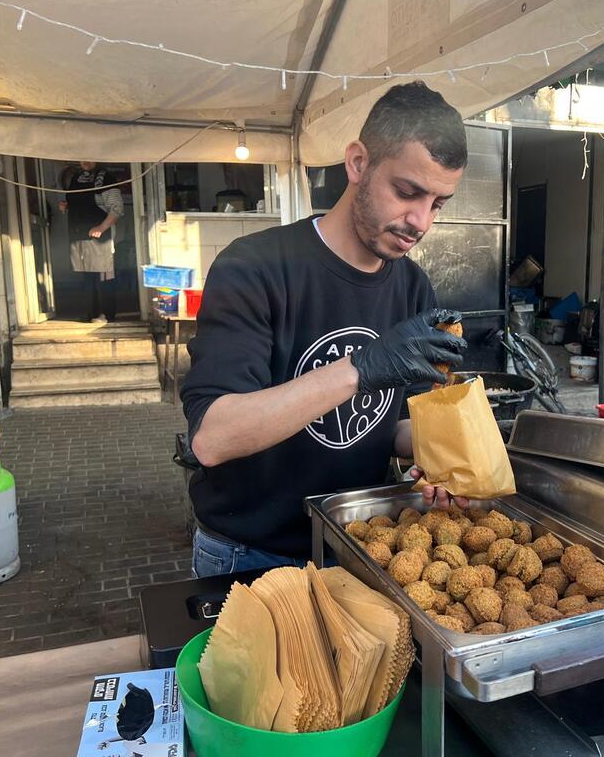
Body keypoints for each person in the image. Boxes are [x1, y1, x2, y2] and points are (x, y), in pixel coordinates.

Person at [181, 82, 470, 577]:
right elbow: (213, 437)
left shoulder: (415, 289)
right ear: (358, 163)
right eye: (407, 192)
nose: (420, 221)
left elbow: (393, 424)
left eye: (438, 203)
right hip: (250, 553)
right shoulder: (255, 267)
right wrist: (361, 368)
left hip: (358, 542)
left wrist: (450, 450)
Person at [58, 162, 123, 322]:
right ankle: (91, 313)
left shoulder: (107, 178)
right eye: (82, 159)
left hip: (101, 237)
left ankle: (106, 314)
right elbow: (78, 204)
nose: (85, 162)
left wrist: (101, 227)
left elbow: (117, 208)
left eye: (89, 158)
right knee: (87, 276)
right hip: (79, 235)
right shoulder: (76, 178)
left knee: (103, 276)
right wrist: (66, 206)